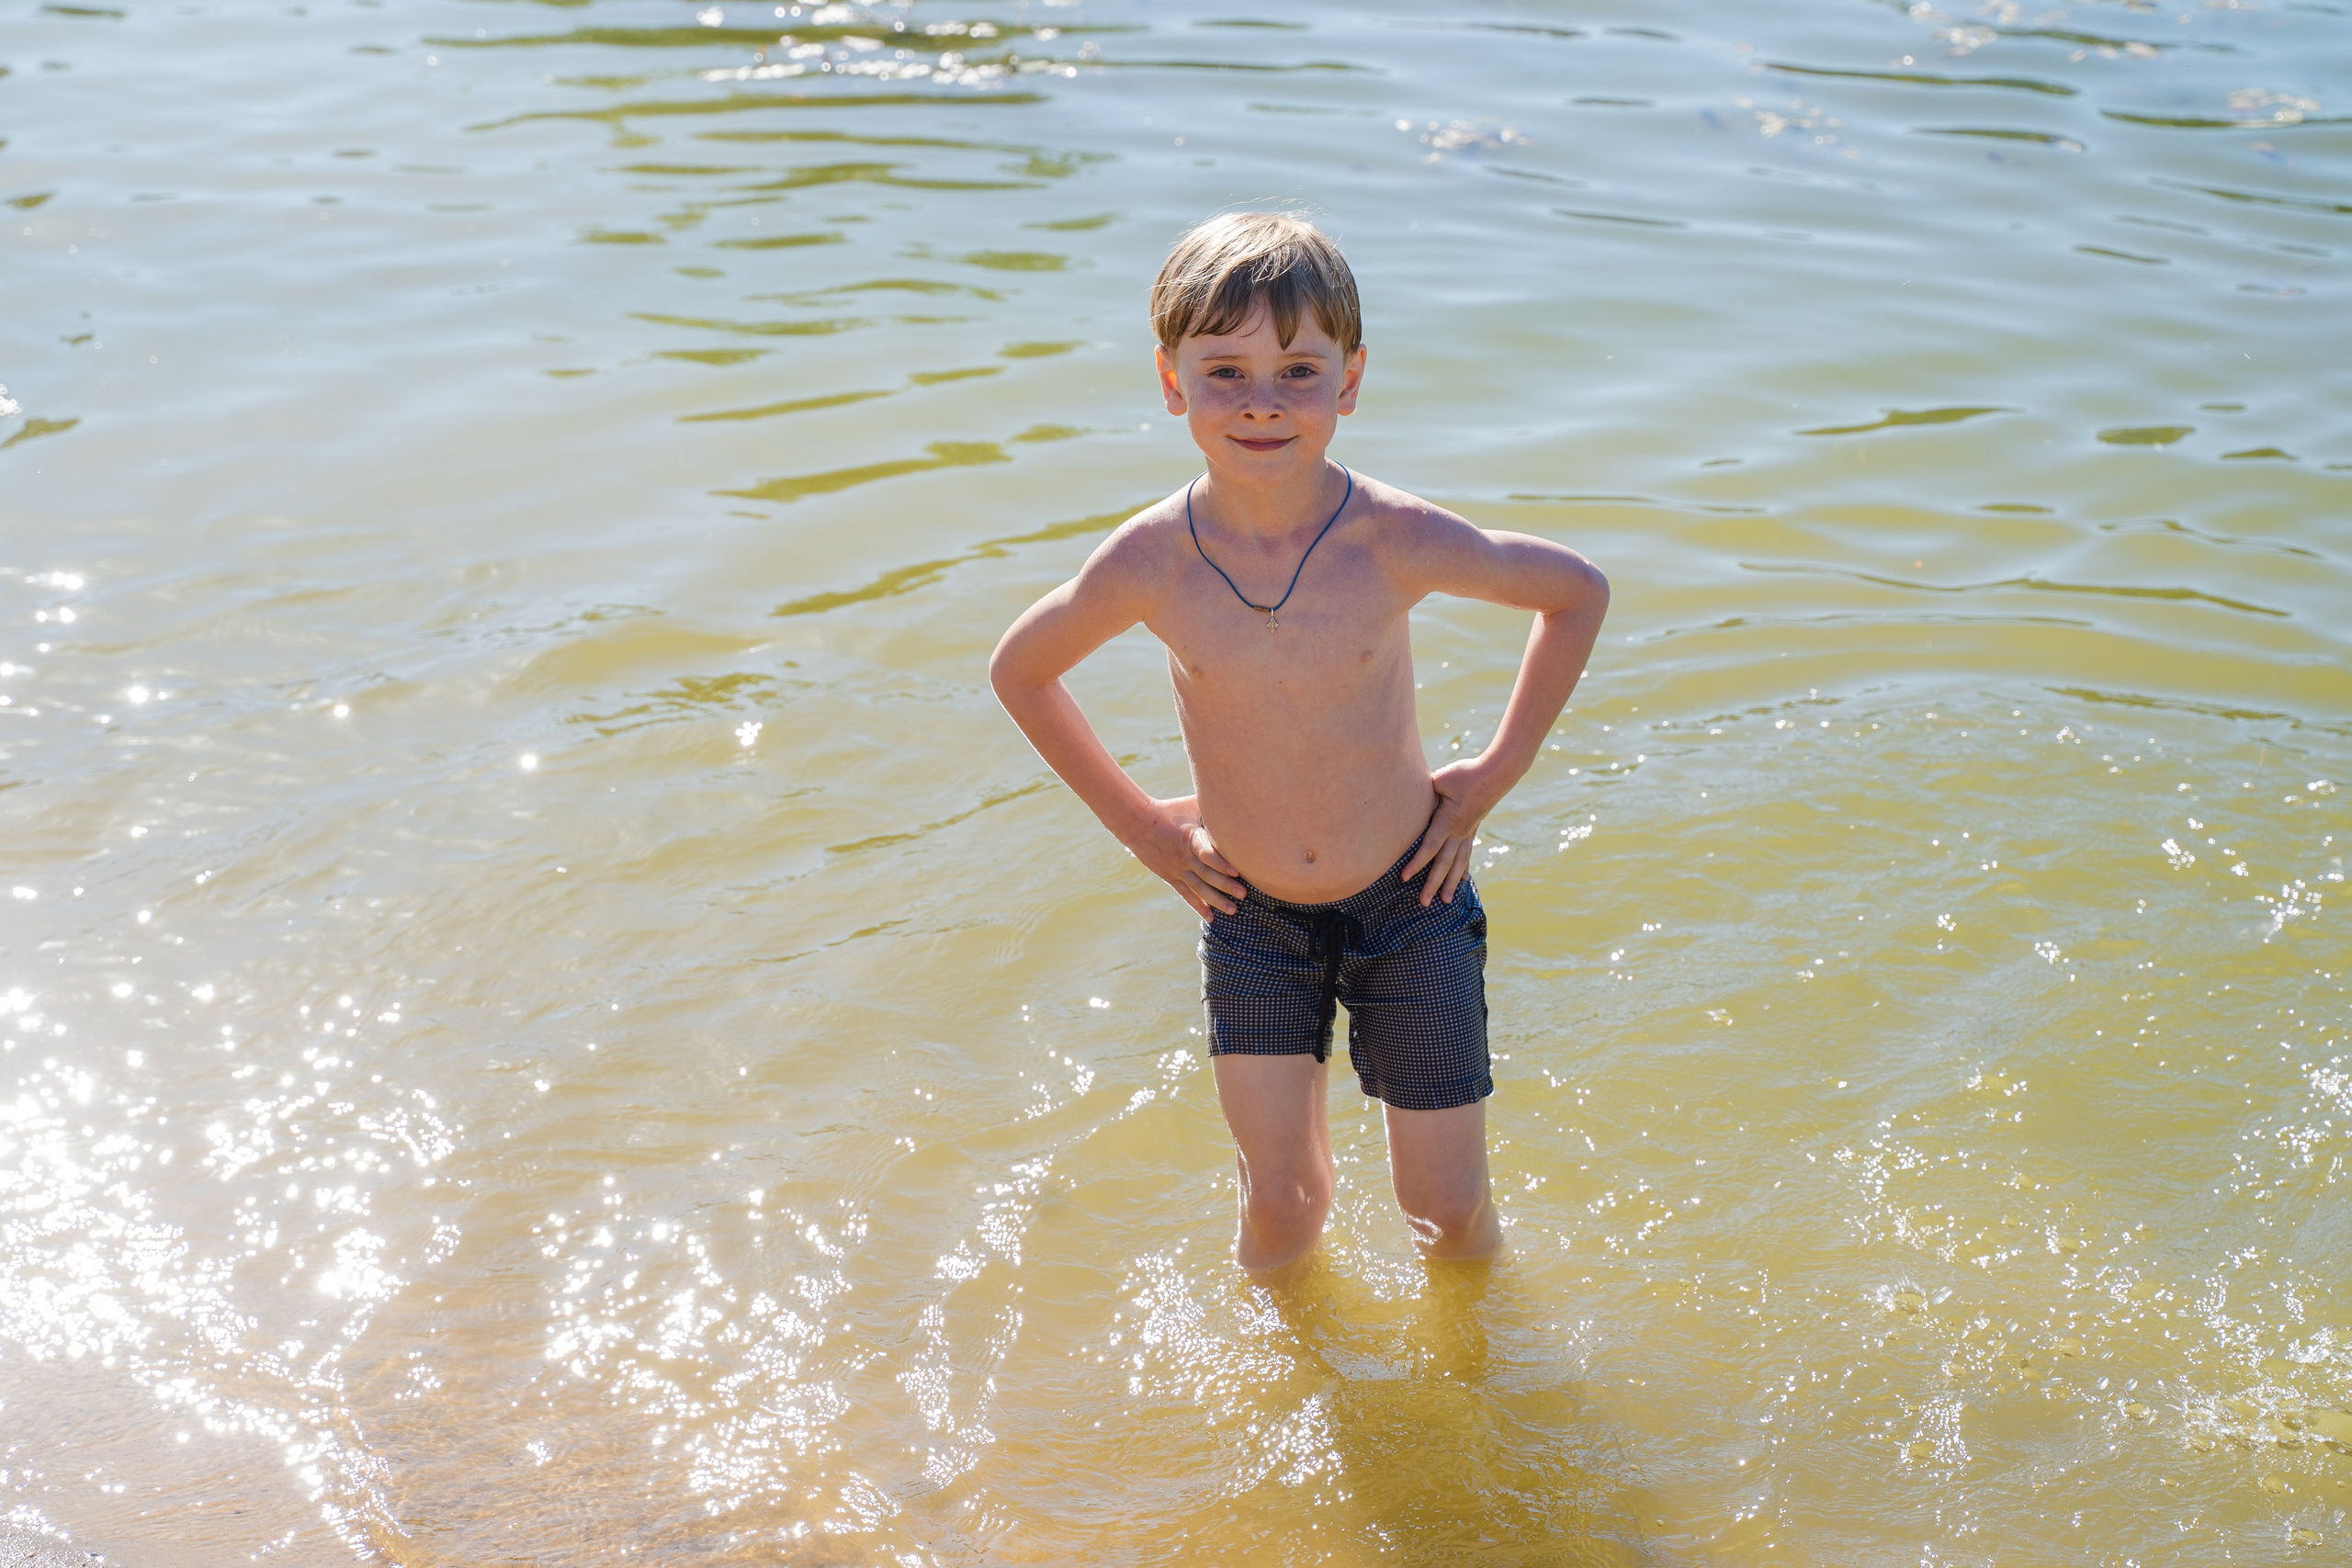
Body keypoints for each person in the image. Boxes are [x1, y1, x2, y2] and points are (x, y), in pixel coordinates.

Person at [989, 213, 1609, 1273]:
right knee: (1280, 1208)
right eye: (1223, 370)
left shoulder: (1393, 538)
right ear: (1170, 379)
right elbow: (1021, 670)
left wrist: (1488, 782)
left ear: (1350, 380)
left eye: (1298, 370)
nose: (1263, 400)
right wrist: (1143, 830)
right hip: (1252, 915)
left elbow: (1574, 593)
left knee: (1444, 1216)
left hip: (1408, 901)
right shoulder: (1150, 560)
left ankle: (1484, 1407)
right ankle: (1281, 1418)